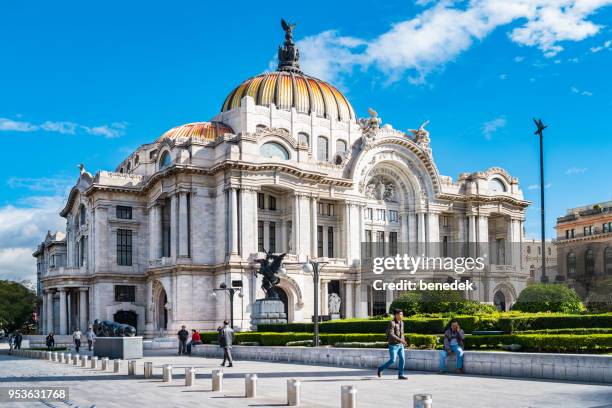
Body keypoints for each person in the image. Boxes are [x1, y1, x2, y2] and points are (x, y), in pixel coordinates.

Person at [377, 309, 408, 380]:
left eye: (402, 314)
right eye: (400, 314)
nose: (402, 316)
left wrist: (403, 341)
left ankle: (401, 375)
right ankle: (380, 368)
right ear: (396, 315)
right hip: (393, 345)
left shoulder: (402, 322)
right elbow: (391, 334)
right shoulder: (392, 323)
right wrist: (401, 340)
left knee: (402, 359)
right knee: (392, 360)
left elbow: (402, 333)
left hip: (400, 345)